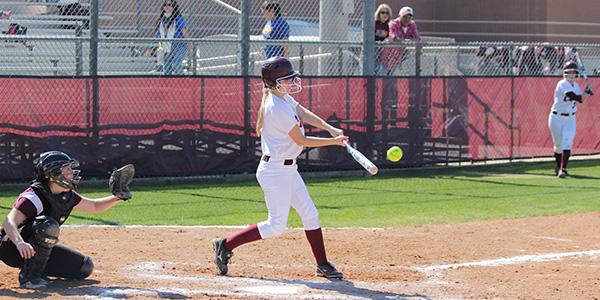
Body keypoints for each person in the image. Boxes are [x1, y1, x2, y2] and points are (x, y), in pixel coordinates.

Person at [212, 57, 348, 279]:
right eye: (287, 79)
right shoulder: (276, 107)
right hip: (274, 172)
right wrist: (333, 142)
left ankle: (322, 264)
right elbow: (301, 140)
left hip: (288, 169)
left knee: (310, 214)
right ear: (274, 83)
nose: (293, 81)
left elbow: (302, 111)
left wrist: (330, 128)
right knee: (275, 226)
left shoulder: (283, 98)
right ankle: (225, 245)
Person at [0, 151, 134, 289]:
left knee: (83, 267)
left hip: (33, 248)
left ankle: (36, 269)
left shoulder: (66, 195)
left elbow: (94, 206)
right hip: (11, 247)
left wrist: (118, 196)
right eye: (67, 168)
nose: (72, 172)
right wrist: (20, 243)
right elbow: (8, 222)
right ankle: (29, 277)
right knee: (47, 226)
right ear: (53, 173)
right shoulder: (33, 197)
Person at [548, 61, 592, 177]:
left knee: (567, 143)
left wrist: (586, 94)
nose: (572, 75)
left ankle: (563, 168)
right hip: (556, 117)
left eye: (574, 72)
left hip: (570, 118)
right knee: (558, 145)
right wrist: (586, 93)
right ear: (565, 74)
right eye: (569, 72)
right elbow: (574, 97)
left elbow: (581, 100)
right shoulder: (562, 84)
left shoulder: (576, 86)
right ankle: (558, 167)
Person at [153, 0, 191, 75]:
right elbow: (159, 37)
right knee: (166, 69)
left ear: (174, 7)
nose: (167, 6)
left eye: (169, 4)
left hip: (180, 46)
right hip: (167, 48)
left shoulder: (178, 18)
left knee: (175, 64)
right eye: (165, 4)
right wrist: (160, 46)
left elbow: (185, 33)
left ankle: (183, 80)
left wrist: (190, 46)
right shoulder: (161, 20)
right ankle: (168, 85)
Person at [380, 6, 421, 73]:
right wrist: (408, 41)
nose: (407, 19)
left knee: (394, 80)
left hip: (398, 58)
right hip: (386, 57)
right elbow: (394, 38)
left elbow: (417, 38)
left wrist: (404, 41)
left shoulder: (412, 24)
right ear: (399, 16)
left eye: (409, 17)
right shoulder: (393, 24)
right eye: (404, 16)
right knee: (382, 77)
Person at [374, 3, 392, 75]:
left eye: (387, 13)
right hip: (372, 52)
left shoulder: (387, 26)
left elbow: (388, 37)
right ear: (378, 13)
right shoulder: (374, 23)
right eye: (383, 12)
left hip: (381, 54)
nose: (385, 15)